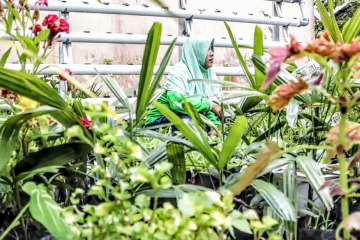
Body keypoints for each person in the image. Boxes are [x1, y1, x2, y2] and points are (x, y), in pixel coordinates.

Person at [145, 37, 222, 136]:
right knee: (189, 121)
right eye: (207, 49)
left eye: (212, 49)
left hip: (190, 116)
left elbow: (209, 108)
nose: (212, 53)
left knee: (221, 132)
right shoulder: (179, 72)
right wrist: (210, 105)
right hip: (158, 121)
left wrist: (215, 127)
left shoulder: (208, 73)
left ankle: (203, 134)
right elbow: (177, 104)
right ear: (195, 53)